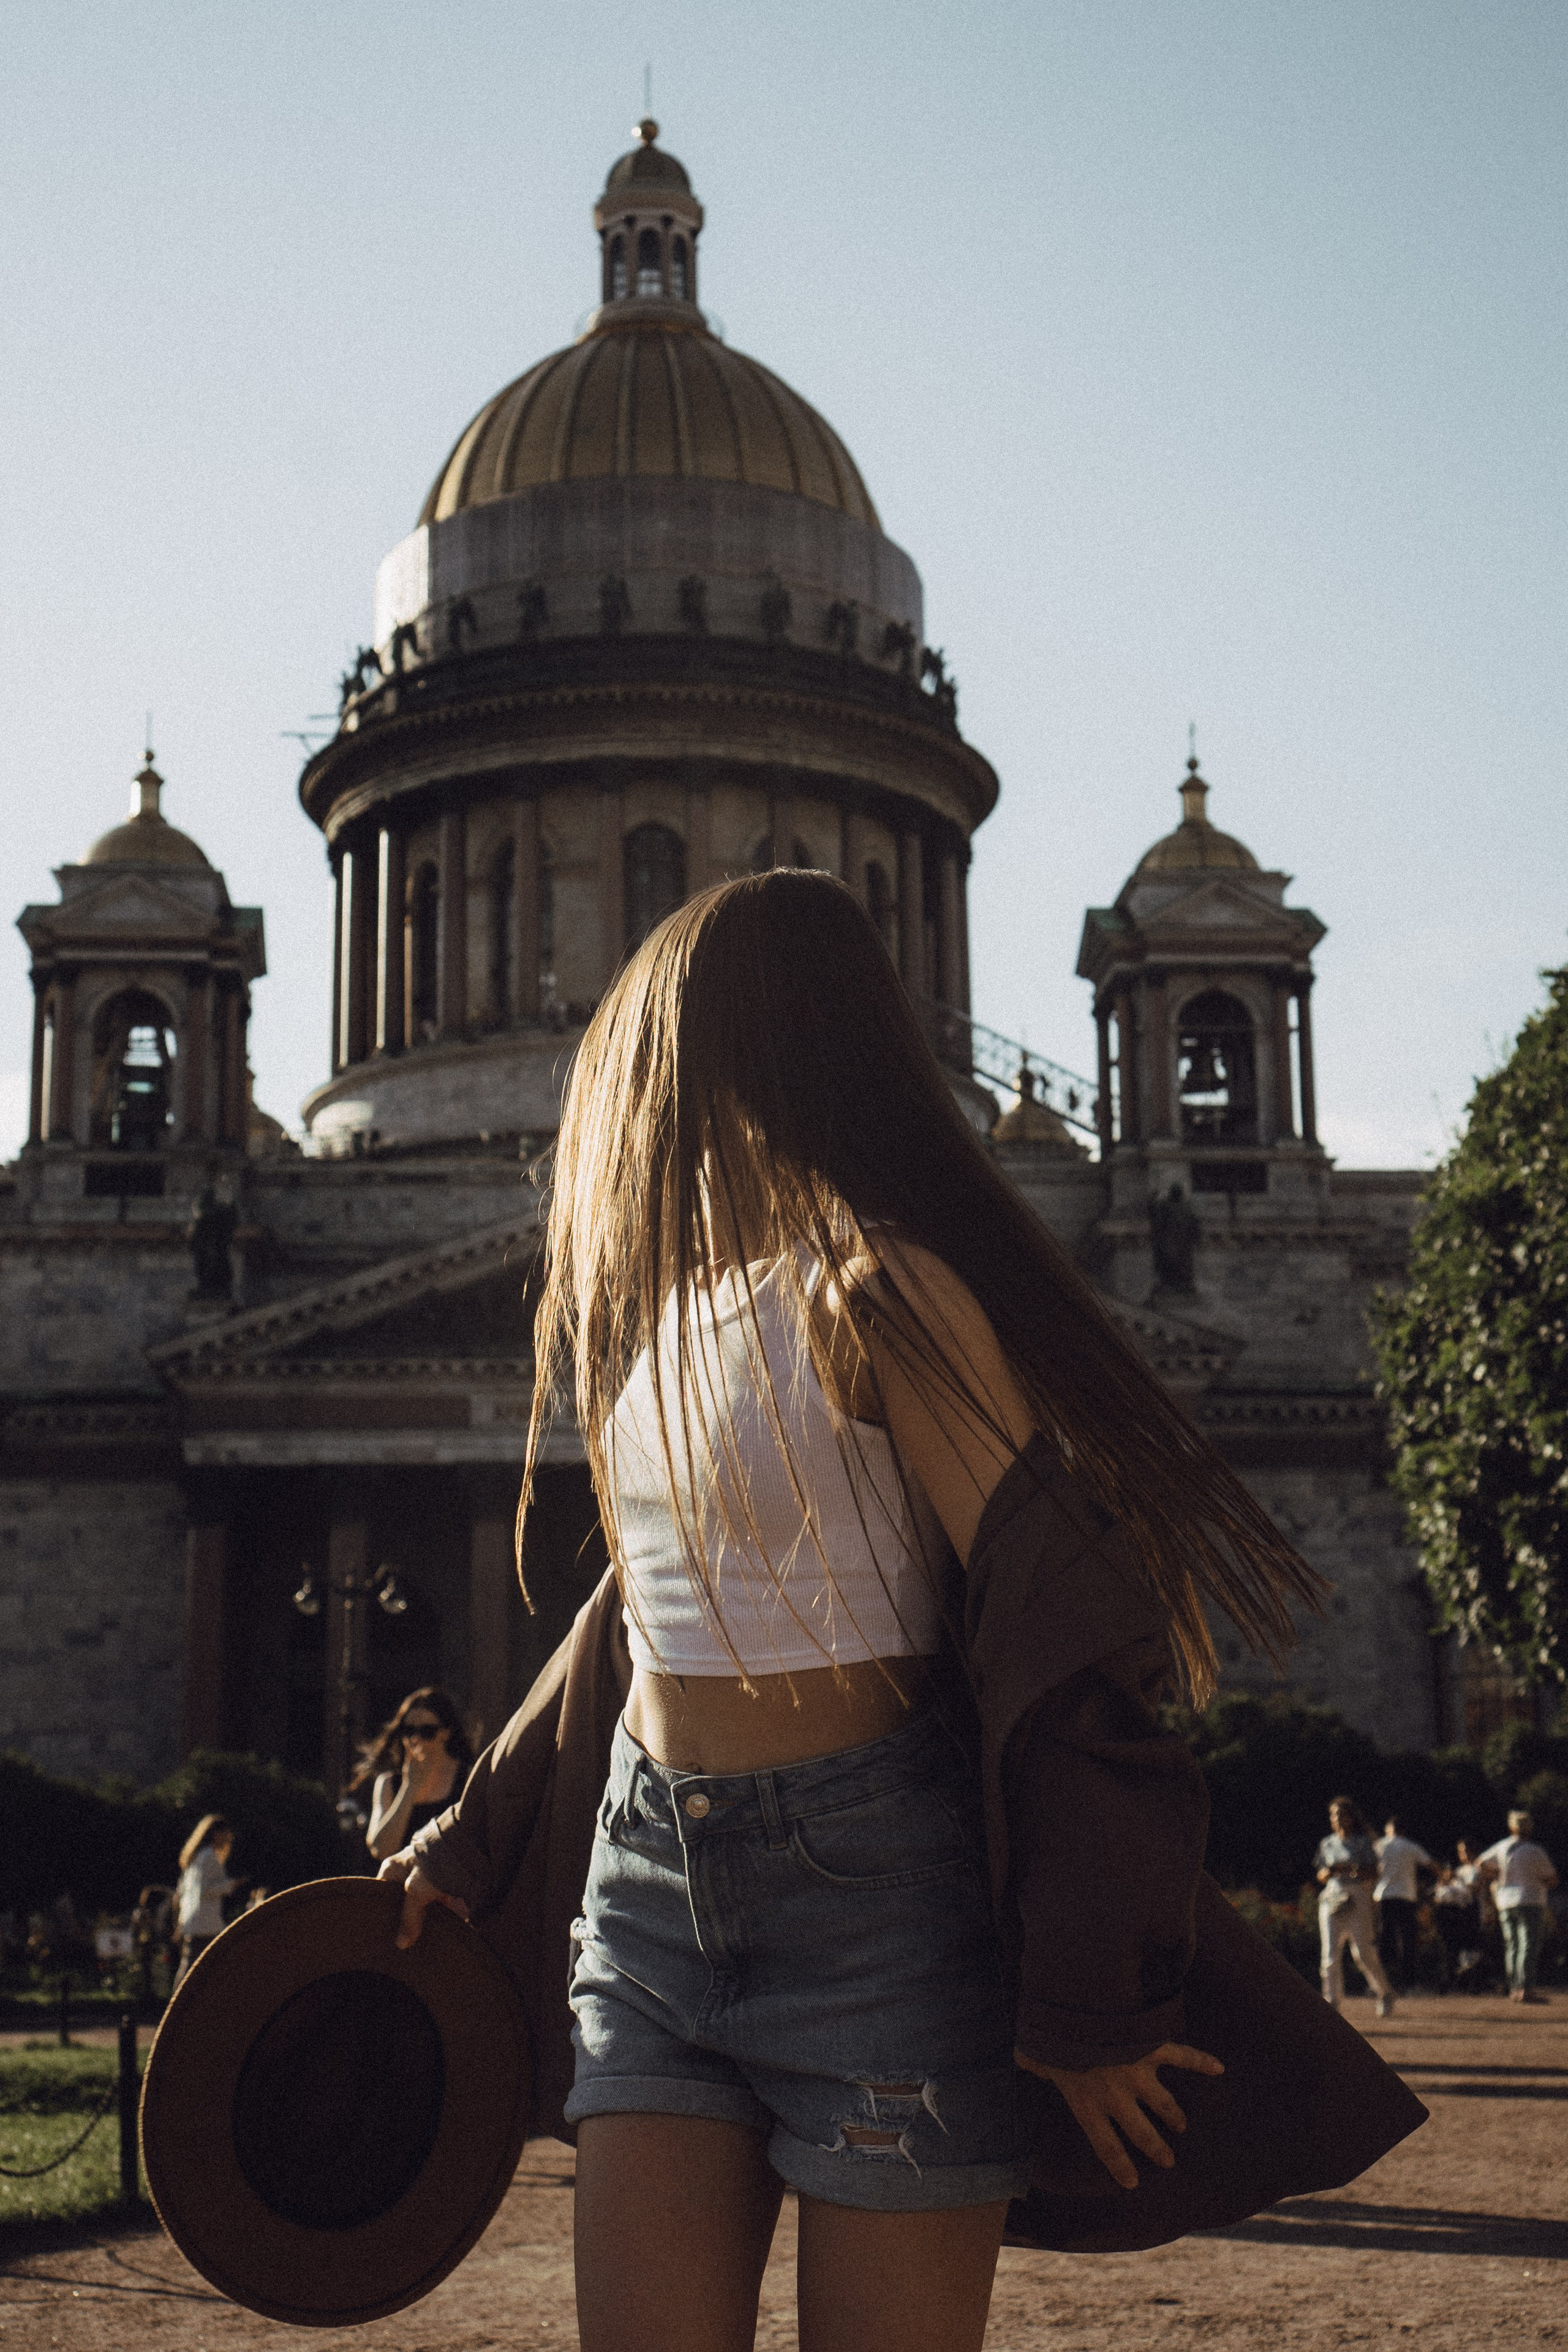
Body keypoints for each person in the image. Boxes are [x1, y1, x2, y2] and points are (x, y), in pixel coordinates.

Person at [375, 870, 1346, 2352]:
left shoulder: (877, 1289)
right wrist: (478, 1821)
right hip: (644, 1896)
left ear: (735, 1052)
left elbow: (1054, 1615)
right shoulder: (668, 1312)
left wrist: (1082, 1992)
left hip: (877, 1902)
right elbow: (625, 1619)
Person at [356, 1687, 475, 1862]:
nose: (415, 1739)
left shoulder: (467, 1778)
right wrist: (409, 1789)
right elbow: (380, 1850)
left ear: (445, 1733)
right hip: (399, 1884)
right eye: (409, 1731)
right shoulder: (388, 1783)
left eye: (427, 1731)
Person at [1315, 1797, 1395, 2017]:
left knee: (1362, 1953)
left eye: (1342, 1814)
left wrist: (1352, 1868)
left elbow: (1374, 1872)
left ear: (1351, 1817)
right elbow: (1320, 1873)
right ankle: (1331, 2004)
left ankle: (1384, 1993)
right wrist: (1331, 1871)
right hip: (1333, 1896)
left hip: (1357, 1895)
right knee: (1330, 1954)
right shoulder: (1328, 1844)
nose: (1338, 1819)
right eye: (1334, 1814)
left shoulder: (1363, 1843)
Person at [1477, 1810, 1559, 2003]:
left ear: (1512, 1827)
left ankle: (1514, 1988)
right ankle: (1526, 1989)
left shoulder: (1502, 1847)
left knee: (1512, 1945)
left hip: (1505, 1901)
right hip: (1530, 1900)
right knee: (1528, 1945)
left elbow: (1480, 1863)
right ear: (1530, 1828)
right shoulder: (1535, 1851)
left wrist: (1497, 1874)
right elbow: (1552, 1879)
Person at [173, 1815, 238, 1989]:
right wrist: (230, 1885)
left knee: (190, 1965)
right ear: (216, 1834)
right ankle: (178, 2007)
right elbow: (206, 1890)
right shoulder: (209, 1856)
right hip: (204, 1922)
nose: (228, 1838)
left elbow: (184, 1891)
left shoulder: (196, 1857)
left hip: (193, 1920)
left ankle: (179, 2006)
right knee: (201, 1965)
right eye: (225, 1834)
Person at [1373, 1815, 1432, 1993]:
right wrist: (1445, 1878)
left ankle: (1381, 1984)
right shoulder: (1411, 1846)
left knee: (1385, 1940)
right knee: (1408, 1940)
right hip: (1406, 1897)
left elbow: (1370, 1868)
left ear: (1388, 1829)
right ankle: (1409, 1983)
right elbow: (1430, 1863)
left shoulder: (1379, 1845)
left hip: (1384, 1897)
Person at [1429, 1859, 1479, 1991]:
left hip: (1461, 1918)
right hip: (1445, 1919)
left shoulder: (1460, 1884)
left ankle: (1466, 1983)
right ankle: (1447, 1982)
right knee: (1448, 1951)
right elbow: (1436, 1900)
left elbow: (1468, 1899)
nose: (1449, 1874)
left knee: (1465, 1952)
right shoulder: (1441, 1886)